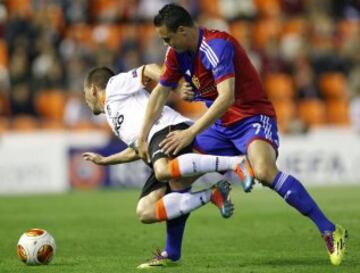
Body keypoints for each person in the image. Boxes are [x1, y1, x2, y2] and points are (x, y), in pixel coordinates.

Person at [137, 3, 347, 266]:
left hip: (252, 118)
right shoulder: (176, 53)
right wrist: (143, 135)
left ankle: (329, 230)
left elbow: (227, 98)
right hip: (219, 126)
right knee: (178, 179)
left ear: (182, 31)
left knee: (263, 171)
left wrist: (190, 132)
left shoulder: (216, 46)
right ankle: (172, 254)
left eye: (167, 38)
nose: (166, 44)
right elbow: (159, 92)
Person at [82, 64, 252, 268]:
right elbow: (138, 150)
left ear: (92, 89)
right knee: (145, 211)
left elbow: (149, 69)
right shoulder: (112, 111)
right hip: (154, 145)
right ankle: (212, 195)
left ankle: (236, 163)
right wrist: (105, 160)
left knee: (162, 171)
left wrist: (177, 87)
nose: (85, 99)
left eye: (85, 94)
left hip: (166, 127)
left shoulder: (114, 85)